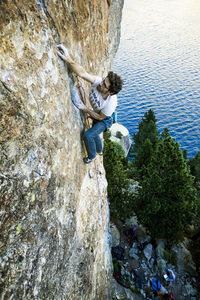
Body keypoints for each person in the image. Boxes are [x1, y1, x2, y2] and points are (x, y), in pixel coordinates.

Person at [57, 44, 123, 163]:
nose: (100, 84)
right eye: (103, 80)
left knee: (88, 135)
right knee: (95, 132)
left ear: (110, 92)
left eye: (105, 85)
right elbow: (82, 73)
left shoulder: (110, 103)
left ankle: (91, 156)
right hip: (97, 113)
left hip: (105, 120)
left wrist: (85, 109)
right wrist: (68, 58)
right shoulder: (98, 82)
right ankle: (99, 149)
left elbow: (100, 117)